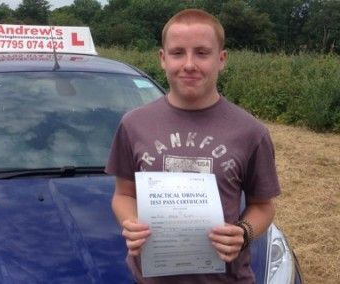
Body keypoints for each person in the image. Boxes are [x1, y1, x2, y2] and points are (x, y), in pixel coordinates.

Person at [105, 8, 280, 284]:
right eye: (177, 53)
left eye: (202, 52)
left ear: (221, 59)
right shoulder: (133, 125)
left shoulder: (251, 131)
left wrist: (244, 232)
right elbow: (123, 194)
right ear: (163, 59)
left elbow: (263, 206)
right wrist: (131, 223)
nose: (189, 64)